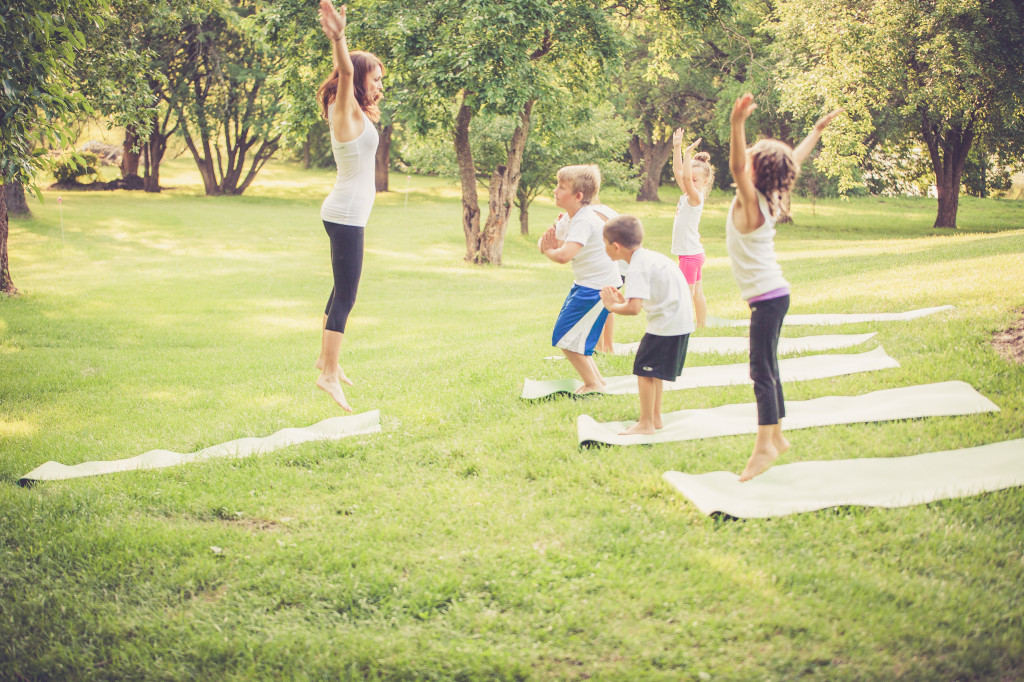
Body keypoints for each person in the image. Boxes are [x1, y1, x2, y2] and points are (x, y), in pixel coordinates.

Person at [727, 93, 842, 481]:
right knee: (769, 367)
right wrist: (815, 132)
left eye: (753, 153)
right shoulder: (765, 198)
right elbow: (794, 160)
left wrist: (736, 123)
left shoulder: (752, 201)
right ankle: (776, 437)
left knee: (760, 371)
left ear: (755, 169)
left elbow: (736, 164)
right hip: (774, 296)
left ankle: (763, 448)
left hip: (768, 299)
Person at [314, 0, 384, 411]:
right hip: (345, 216)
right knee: (346, 298)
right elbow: (343, 71)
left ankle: (328, 359)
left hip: (345, 214)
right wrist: (339, 38)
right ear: (358, 78)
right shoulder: (344, 105)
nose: (379, 85)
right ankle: (327, 374)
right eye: (375, 79)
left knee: (340, 291)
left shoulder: (354, 112)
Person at [599, 215, 694, 435]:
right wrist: (621, 302)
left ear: (616, 247)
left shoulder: (637, 267)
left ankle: (646, 423)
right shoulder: (648, 258)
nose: (604, 249)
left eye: (604, 245)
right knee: (654, 373)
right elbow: (637, 301)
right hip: (678, 322)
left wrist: (611, 306)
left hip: (667, 325)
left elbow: (633, 309)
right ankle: (655, 418)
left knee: (644, 372)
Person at [539, 165, 622, 393]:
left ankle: (593, 383)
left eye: (561, 187)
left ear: (578, 196)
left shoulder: (585, 220)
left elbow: (563, 255)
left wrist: (548, 251)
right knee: (570, 337)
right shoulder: (570, 217)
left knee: (565, 336)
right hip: (586, 285)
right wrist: (547, 246)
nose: (555, 190)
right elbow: (551, 242)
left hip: (597, 289)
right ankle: (597, 381)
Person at [671, 129, 716, 328]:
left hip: (690, 255)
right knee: (697, 292)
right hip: (693, 252)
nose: (690, 181)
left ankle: (683, 327)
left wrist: (687, 154)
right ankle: (702, 325)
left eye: (696, 180)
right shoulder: (689, 195)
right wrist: (677, 147)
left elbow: (686, 179)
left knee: (685, 295)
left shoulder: (696, 197)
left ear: (705, 182)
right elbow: (678, 173)